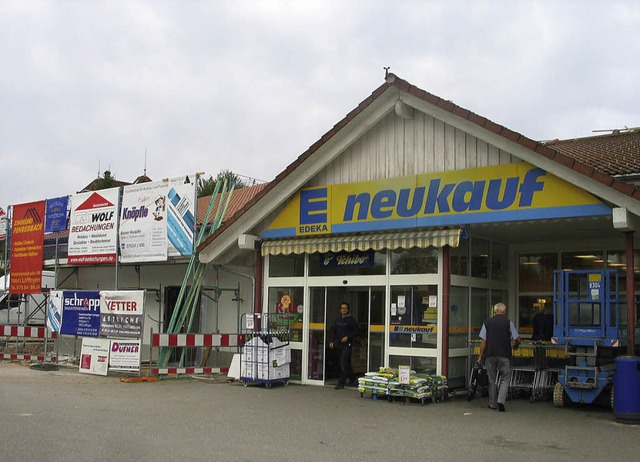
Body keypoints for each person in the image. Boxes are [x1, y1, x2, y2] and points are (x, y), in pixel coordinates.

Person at [478, 302, 520, 412]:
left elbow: (484, 341)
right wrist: (516, 345)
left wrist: (480, 355)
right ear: (504, 312)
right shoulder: (508, 323)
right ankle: (501, 401)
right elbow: (517, 338)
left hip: (489, 354)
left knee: (491, 380)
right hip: (504, 354)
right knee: (505, 378)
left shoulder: (487, 323)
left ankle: (492, 404)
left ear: (494, 311)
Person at [329, 302, 359, 390]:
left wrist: (348, 337)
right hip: (339, 344)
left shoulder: (351, 320)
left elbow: (356, 332)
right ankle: (353, 379)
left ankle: (341, 383)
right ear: (340, 310)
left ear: (348, 310)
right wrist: (331, 341)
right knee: (345, 363)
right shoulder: (338, 320)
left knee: (343, 362)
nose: (344, 309)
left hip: (347, 344)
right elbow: (334, 331)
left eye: (345, 308)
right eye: (342, 308)